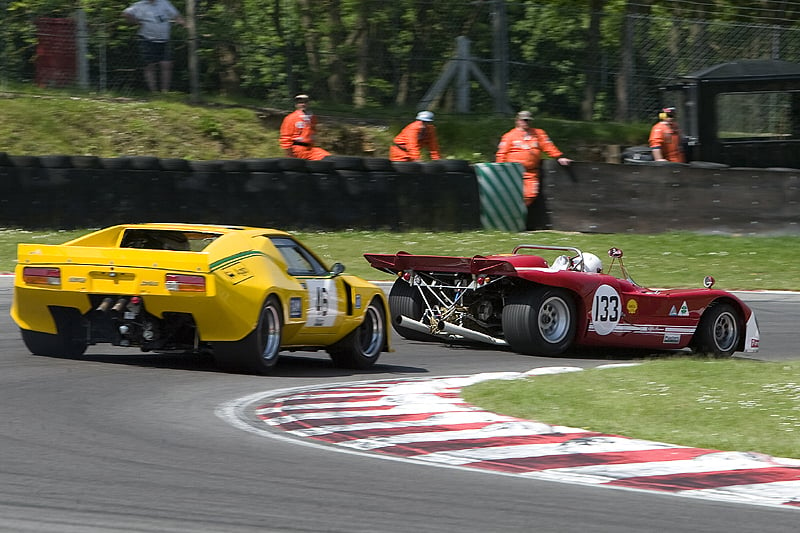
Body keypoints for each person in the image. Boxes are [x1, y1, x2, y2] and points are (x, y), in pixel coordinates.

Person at [495, 110, 572, 209]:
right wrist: (499, 170)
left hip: (531, 173)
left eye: (528, 120)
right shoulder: (509, 136)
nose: (526, 122)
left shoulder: (539, 133)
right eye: (523, 120)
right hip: (513, 172)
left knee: (530, 194)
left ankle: (517, 212)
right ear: (517, 121)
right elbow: (501, 153)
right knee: (510, 195)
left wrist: (559, 157)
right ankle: (510, 215)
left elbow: (548, 146)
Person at [122, 0, 185, 93]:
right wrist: (136, 22)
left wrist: (184, 24)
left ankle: (165, 91)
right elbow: (126, 13)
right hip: (147, 39)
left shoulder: (164, 3)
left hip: (164, 39)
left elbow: (176, 15)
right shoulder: (139, 5)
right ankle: (154, 91)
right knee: (150, 66)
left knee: (166, 65)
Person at [279, 94, 331, 160]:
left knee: (329, 158)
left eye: (305, 102)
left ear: (308, 103)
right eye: (300, 103)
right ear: (296, 104)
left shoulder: (312, 118)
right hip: (297, 149)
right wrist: (289, 154)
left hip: (310, 148)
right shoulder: (290, 118)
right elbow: (285, 137)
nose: (303, 104)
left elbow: (313, 133)